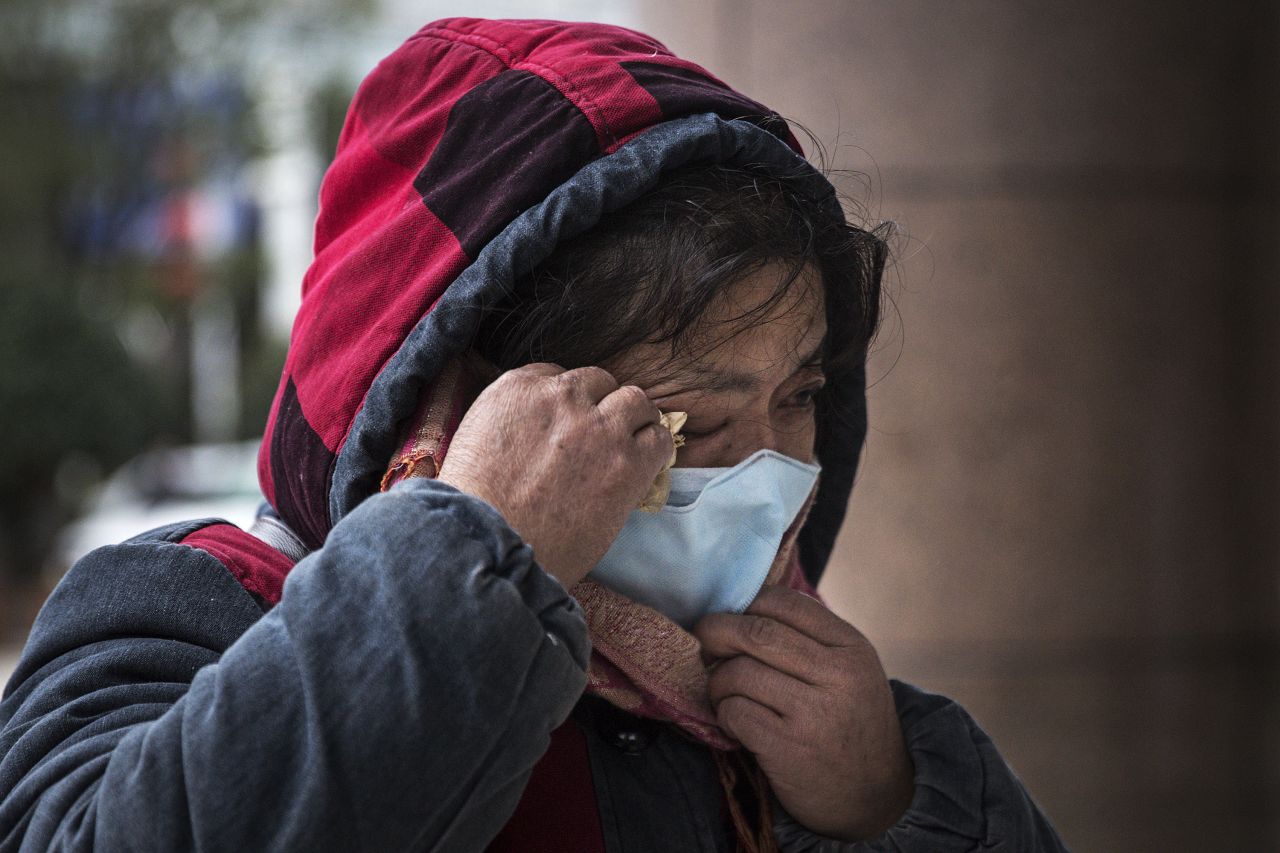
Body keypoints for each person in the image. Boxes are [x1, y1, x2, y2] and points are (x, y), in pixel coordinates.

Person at [0, 17, 1067, 852]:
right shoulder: (183, 610)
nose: (767, 470)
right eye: (689, 417)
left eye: (798, 396)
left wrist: (893, 802)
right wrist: (468, 551)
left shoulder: (768, 705)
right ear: (480, 404)